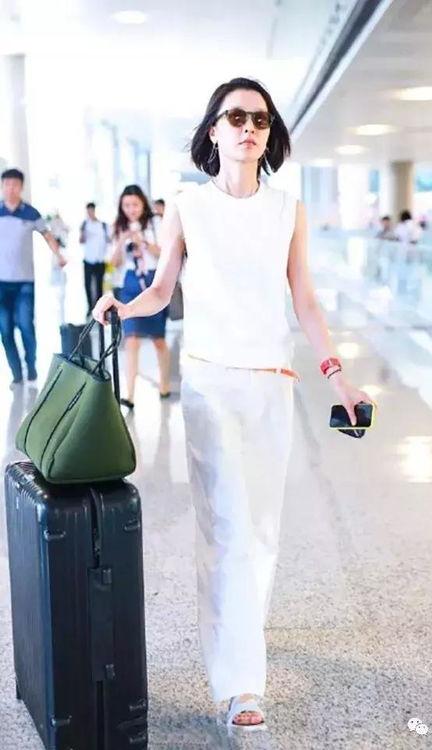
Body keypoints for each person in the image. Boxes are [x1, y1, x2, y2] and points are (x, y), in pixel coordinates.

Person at [93, 77, 372, 732]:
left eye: (260, 119)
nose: (249, 127)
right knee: (227, 529)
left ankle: (241, 651)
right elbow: (163, 289)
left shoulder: (288, 209)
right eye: (236, 117)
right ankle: (240, 685)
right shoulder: (189, 206)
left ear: (269, 135)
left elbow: (305, 300)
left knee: (260, 533)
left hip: (271, 383)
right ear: (214, 130)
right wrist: (122, 306)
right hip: (210, 383)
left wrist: (337, 376)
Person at [0, 168, 66, 385]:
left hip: (24, 282)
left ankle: (31, 366)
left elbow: (47, 235)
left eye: (15, 184)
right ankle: (16, 372)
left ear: (21, 187)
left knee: (26, 325)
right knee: (5, 329)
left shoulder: (30, 213)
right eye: (7, 184)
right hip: (1, 282)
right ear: (2, 186)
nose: (11, 188)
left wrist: (59, 255)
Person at [109, 185, 170, 408]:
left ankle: (165, 385)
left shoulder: (156, 223)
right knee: (131, 340)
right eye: (126, 205)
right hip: (130, 284)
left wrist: (143, 241)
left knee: (158, 340)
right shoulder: (119, 226)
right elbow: (114, 263)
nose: (131, 209)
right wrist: (123, 239)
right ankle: (130, 395)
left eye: (135, 204)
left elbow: (166, 254)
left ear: (143, 204)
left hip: (154, 282)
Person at [79, 202, 109, 316]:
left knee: (99, 285)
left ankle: (99, 308)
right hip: (88, 260)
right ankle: (89, 307)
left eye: (91, 211)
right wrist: (82, 232)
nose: (90, 213)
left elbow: (109, 240)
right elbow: (81, 240)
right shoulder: (84, 225)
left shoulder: (103, 225)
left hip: (100, 260)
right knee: (87, 284)